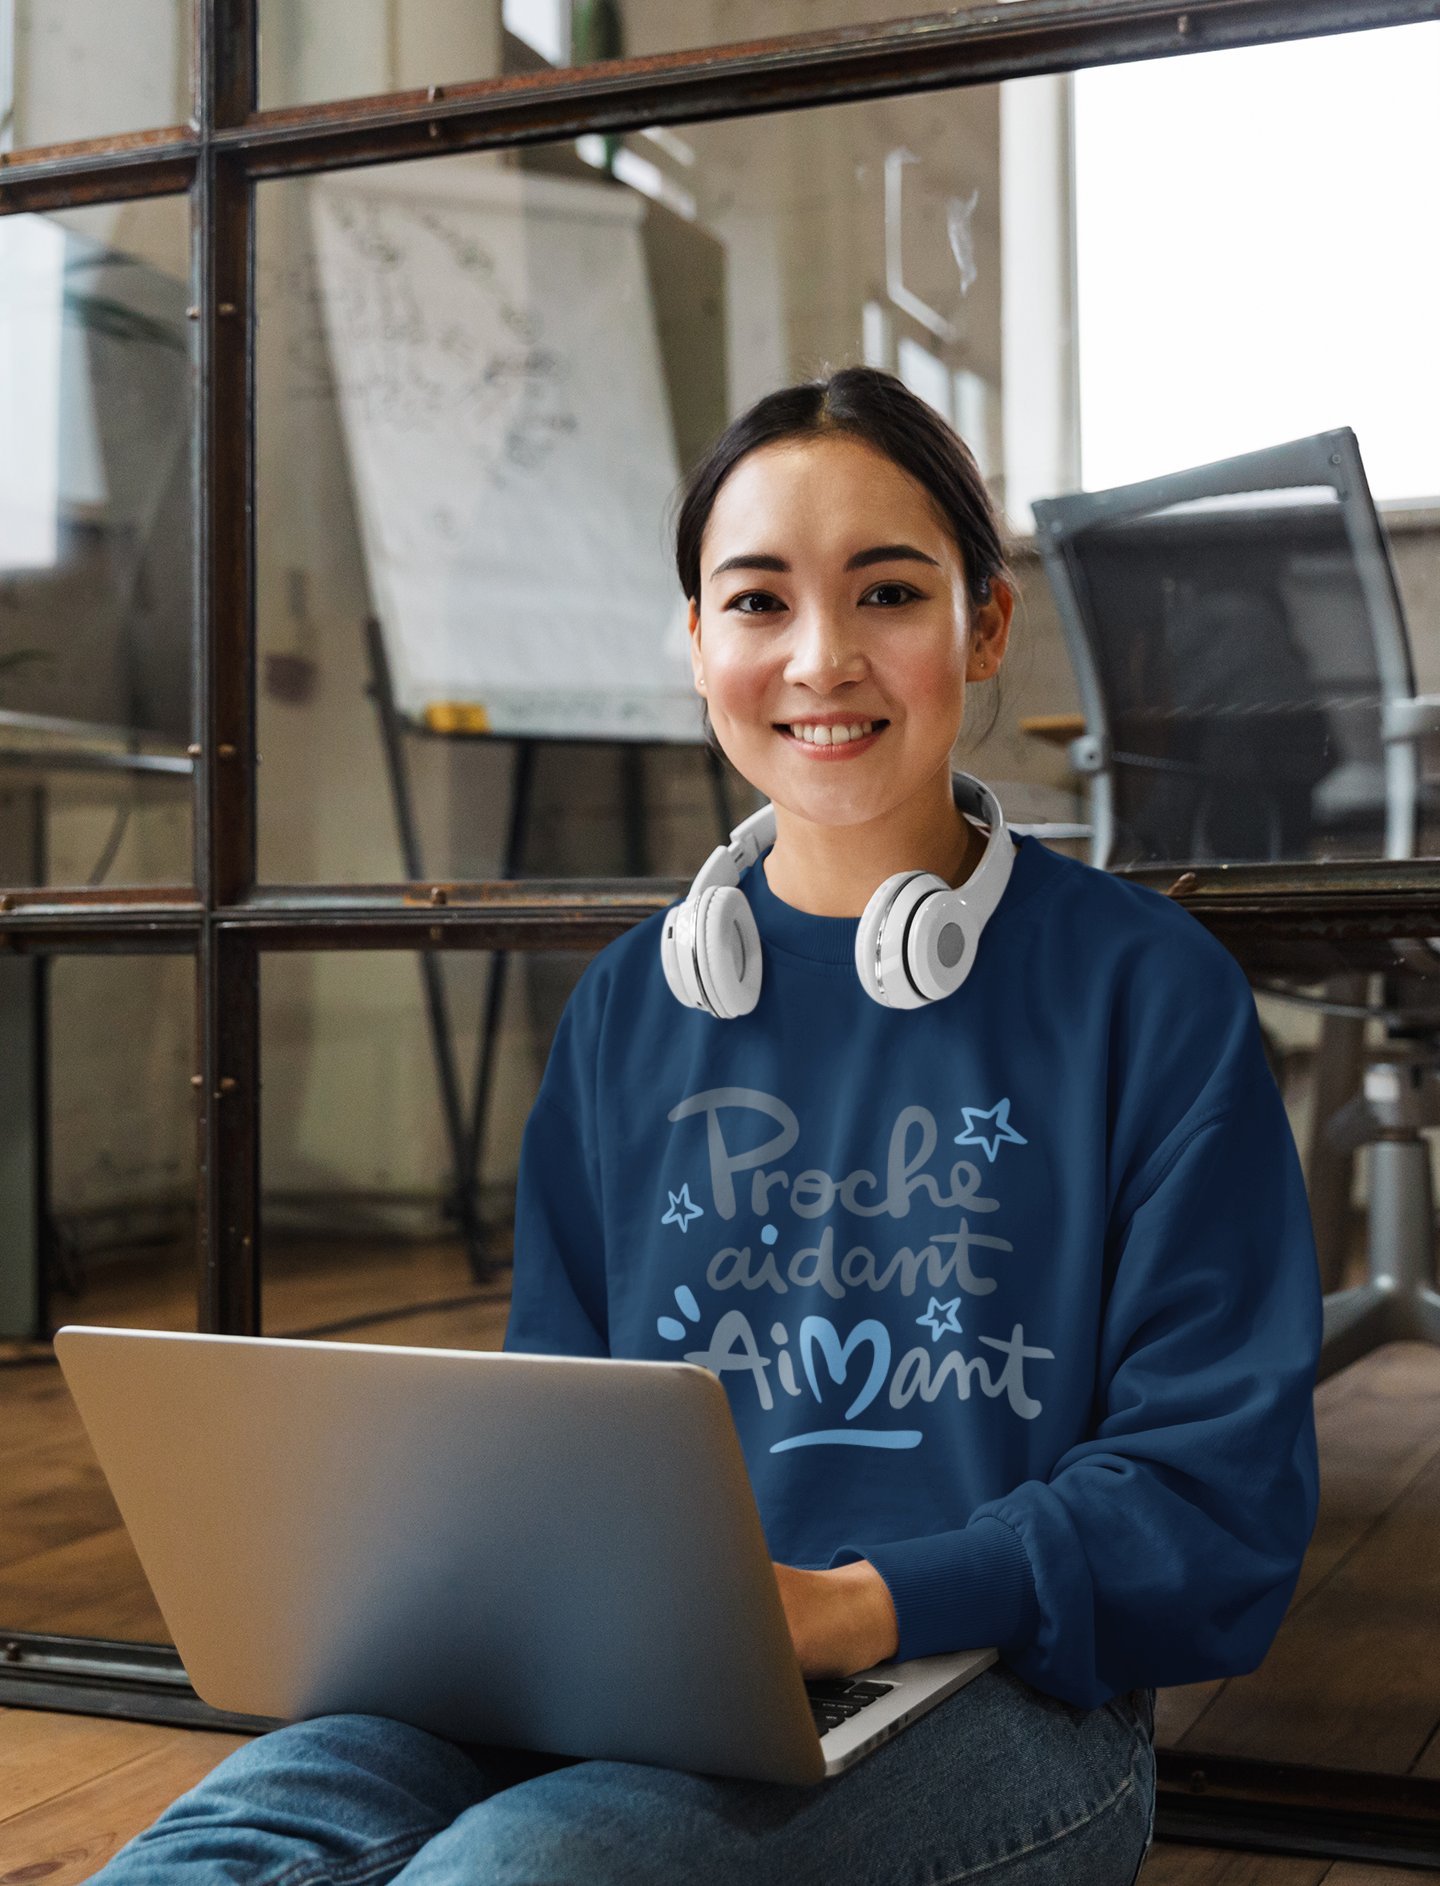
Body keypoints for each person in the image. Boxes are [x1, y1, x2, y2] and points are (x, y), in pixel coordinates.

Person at [95, 368, 1321, 1884]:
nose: (820, 659)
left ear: (985, 624)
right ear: (695, 641)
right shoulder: (630, 1008)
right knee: (216, 1850)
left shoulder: (1147, 990)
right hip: (611, 1666)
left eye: (888, 592)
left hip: (1003, 1693)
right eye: (757, 602)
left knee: (515, 1874)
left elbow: (1213, 1499)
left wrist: (855, 1605)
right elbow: (551, 1430)